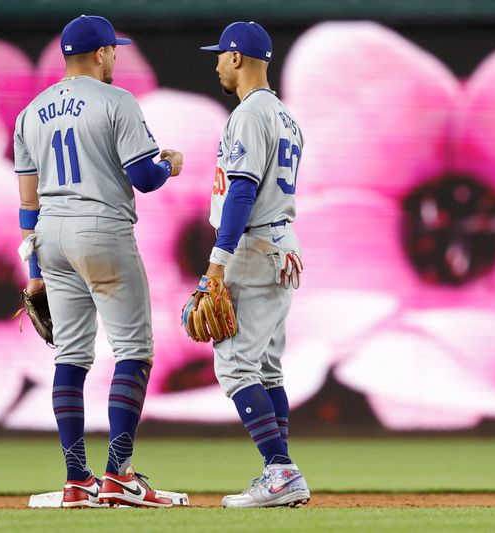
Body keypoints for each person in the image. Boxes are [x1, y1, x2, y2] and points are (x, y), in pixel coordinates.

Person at [14, 15, 183, 509]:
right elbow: (145, 178)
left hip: (51, 236)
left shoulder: (31, 112)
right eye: (114, 51)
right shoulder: (116, 101)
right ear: (102, 53)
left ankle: (76, 480)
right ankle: (119, 475)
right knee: (133, 350)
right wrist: (170, 164)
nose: (116, 58)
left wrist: (35, 273)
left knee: (70, 356)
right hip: (101, 228)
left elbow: (27, 205)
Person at [195, 21, 309, 508]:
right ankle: (278, 471)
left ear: (238, 58)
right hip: (283, 248)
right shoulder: (286, 117)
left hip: (254, 249)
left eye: (221, 55)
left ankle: (280, 471)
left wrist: (217, 262)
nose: (217, 62)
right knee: (266, 368)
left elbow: (241, 190)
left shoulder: (249, 114)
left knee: (236, 365)